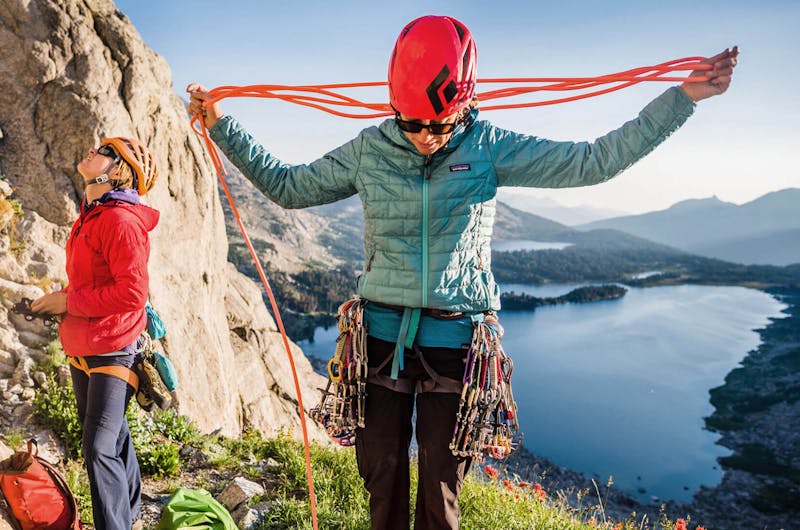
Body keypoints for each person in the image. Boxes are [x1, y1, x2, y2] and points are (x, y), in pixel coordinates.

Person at [188, 15, 737, 530]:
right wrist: (223, 127)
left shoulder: (489, 146)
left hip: (458, 339)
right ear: (393, 106)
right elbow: (289, 187)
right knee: (380, 472)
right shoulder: (369, 149)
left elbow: (592, 162)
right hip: (380, 337)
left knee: (441, 486)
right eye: (412, 123)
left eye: (440, 123)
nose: (425, 134)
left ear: (464, 103)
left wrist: (684, 98)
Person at [31, 137, 159, 530]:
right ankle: (132, 511)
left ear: (117, 172)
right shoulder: (94, 214)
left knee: (97, 446)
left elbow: (133, 293)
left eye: (106, 152)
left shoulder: (119, 221)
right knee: (113, 432)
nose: (93, 151)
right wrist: (57, 300)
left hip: (112, 347)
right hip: (85, 343)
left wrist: (68, 303)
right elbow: (94, 281)